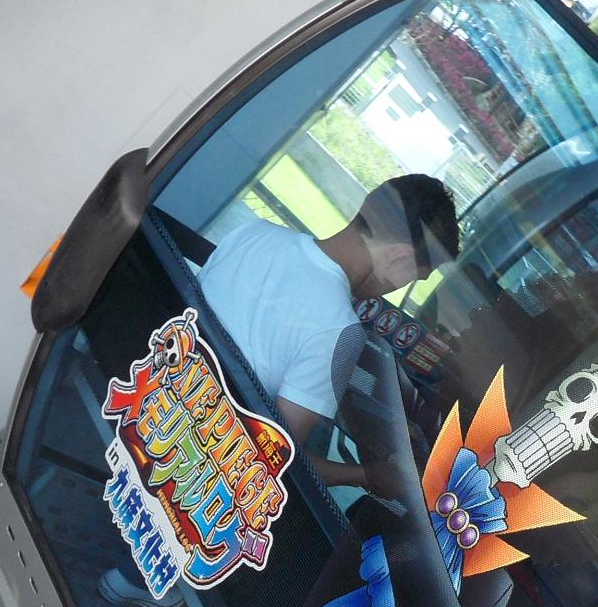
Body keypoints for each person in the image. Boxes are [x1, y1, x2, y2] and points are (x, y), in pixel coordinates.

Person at [197, 174, 460, 488]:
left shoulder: (255, 233)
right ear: (399, 256)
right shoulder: (339, 331)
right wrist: (366, 475)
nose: (397, 288)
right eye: (412, 278)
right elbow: (271, 459)